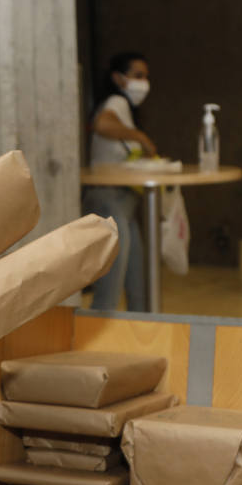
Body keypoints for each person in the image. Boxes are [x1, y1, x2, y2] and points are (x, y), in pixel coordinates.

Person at [83, 51, 160, 311]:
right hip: (109, 200)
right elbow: (102, 124)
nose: (144, 82)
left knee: (139, 289)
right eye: (137, 75)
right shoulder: (117, 102)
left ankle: (143, 334)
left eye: (146, 76)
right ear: (118, 78)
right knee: (109, 293)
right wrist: (140, 137)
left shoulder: (125, 109)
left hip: (126, 205)